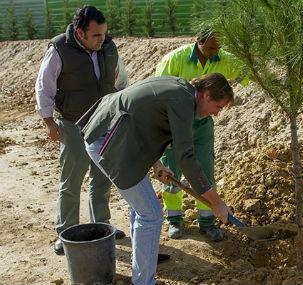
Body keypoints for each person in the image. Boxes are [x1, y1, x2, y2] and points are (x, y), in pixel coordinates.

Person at [78, 73, 234, 285]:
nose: (216, 114)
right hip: (108, 142)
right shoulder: (183, 102)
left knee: (142, 208)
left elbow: (144, 121)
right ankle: (143, 281)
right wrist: (216, 202)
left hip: (116, 136)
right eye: (218, 107)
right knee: (150, 214)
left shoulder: (181, 89)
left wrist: (156, 163)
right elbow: (185, 156)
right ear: (206, 95)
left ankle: (142, 259)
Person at [34, 5, 128, 255]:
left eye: (104, 34)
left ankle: (102, 225)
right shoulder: (59, 49)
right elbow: (44, 86)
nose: (102, 39)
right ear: (80, 33)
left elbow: (121, 82)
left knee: (102, 179)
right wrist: (49, 122)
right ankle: (65, 233)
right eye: (96, 35)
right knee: (71, 181)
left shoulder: (108, 47)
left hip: (104, 123)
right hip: (73, 124)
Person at [155, 27, 248, 240]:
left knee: (204, 169)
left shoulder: (224, 59)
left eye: (218, 47)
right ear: (198, 41)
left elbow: (249, 73)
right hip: (175, 122)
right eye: (211, 47)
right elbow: (160, 91)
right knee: (172, 169)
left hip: (203, 124)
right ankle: (175, 219)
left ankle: (207, 221)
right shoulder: (175, 60)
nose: (215, 51)